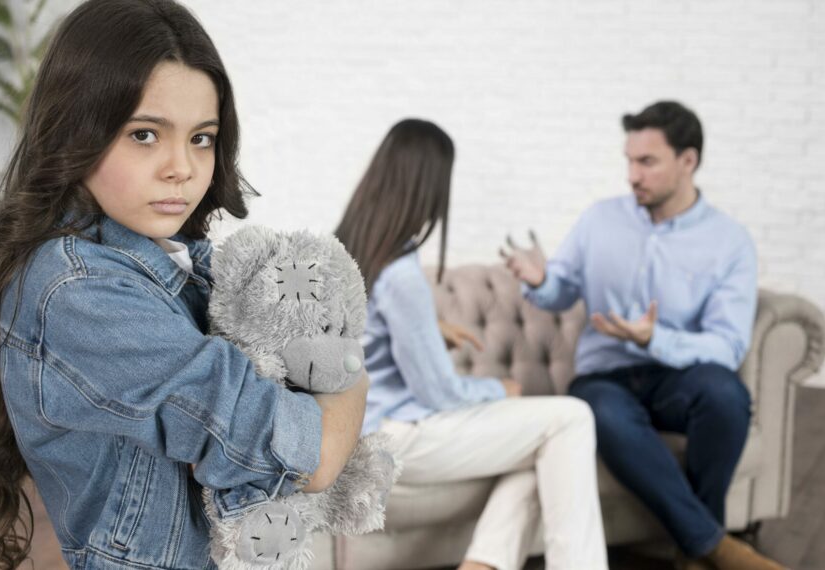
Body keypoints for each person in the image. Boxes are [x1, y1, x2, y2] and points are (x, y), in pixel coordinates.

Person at [0, 1, 368, 568]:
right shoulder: (80, 292)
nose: (181, 168)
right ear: (76, 132)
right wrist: (350, 374)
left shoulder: (167, 257)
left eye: (202, 138)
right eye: (144, 134)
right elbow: (310, 455)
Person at [502, 101, 784, 570]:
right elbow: (560, 291)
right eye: (630, 161)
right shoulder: (599, 220)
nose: (633, 175)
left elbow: (727, 344)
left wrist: (656, 339)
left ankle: (696, 544)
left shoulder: (729, 241)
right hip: (605, 379)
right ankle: (712, 547)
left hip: (677, 377)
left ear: (688, 160)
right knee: (597, 409)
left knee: (725, 395)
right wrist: (540, 281)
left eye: (647, 162)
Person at [335, 119, 607, 570]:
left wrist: (430, 326)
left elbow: (370, 334)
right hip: (394, 436)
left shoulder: (351, 248)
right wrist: (501, 389)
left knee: (541, 450)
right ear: (430, 186)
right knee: (571, 419)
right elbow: (440, 393)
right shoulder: (400, 272)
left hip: (365, 428)